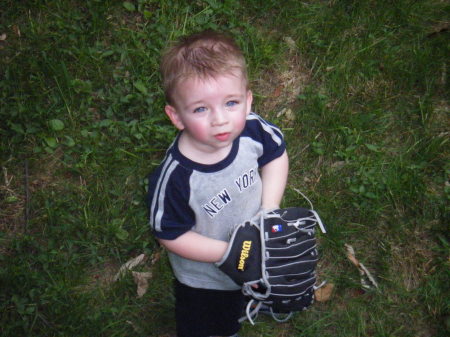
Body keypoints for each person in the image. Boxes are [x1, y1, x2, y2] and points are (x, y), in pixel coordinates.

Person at [147, 30, 289, 337]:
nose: (220, 119)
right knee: (211, 322)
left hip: (256, 247)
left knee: (255, 282)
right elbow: (169, 233)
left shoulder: (253, 130)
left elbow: (276, 155)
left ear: (248, 100)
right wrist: (230, 252)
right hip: (206, 277)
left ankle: (254, 298)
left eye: (231, 102)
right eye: (201, 108)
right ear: (176, 116)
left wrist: (269, 208)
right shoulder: (176, 177)